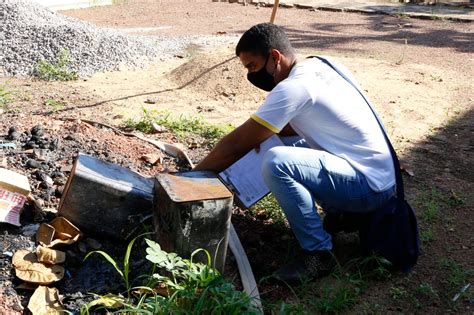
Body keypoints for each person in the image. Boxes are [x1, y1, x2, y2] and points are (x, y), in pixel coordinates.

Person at [194, 23, 396, 282]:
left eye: (253, 67)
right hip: (380, 174)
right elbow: (295, 126)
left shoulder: (293, 88)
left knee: (278, 162)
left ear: (275, 57)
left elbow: (235, 145)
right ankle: (345, 215)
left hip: (369, 188)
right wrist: (265, 133)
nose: (251, 76)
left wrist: (192, 176)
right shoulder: (321, 65)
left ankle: (318, 255)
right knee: (282, 143)